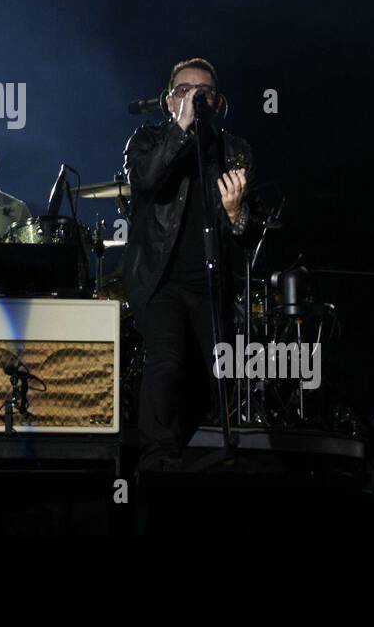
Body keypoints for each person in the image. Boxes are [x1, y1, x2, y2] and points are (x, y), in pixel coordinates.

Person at [123, 58, 260, 471]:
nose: (196, 97)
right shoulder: (145, 140)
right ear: (169, 101)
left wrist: (236, 214)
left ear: (218, 103)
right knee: (166, 359)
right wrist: (180, 130)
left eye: (204, 91)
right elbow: (146, 180)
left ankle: (187, 451)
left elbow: (249, 233)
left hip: (211, 282)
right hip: (160, 280)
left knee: (211, 376)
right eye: (185, 90)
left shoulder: (234, 149)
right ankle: (157, 460)